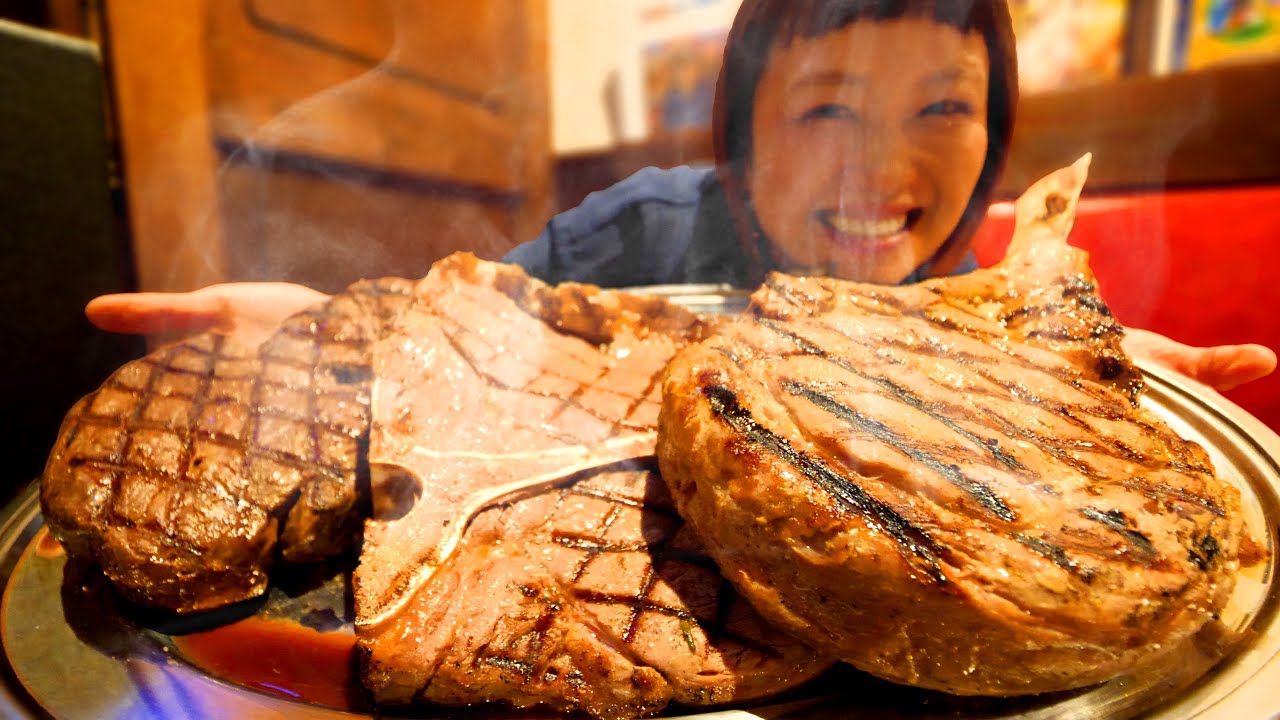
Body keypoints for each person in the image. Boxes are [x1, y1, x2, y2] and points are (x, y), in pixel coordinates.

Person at [85, 0, 1275, 391]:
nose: (879, 171)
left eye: (941, 108)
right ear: (740, 135)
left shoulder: (969, 303)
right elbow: (453, 341)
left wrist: (1079, 381)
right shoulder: (639, 235)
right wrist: (327, 336)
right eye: (824, 111)